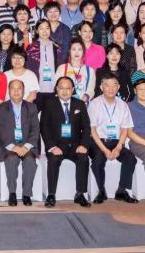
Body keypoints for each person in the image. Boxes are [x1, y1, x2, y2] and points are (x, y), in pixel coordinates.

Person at [87, 74, 138, 203]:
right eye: (107, 85)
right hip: (98, 141)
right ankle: (101, 191)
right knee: (98, 160)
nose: (110, 89)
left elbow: (125, 129)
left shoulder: (123, 105)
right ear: (101, 87)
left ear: (118, 87)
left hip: (116, 141)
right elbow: (92, 130)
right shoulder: (94, 104)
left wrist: (119, 147)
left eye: (114, 85)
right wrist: (105, 150)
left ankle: (122, 191)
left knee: (130, 158)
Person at [41, 76, 92, 207]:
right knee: (53, 160)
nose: (64, 91)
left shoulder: (79, 104)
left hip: (75, 145)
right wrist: (52, 147)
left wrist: (83, 145)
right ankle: (51, 195)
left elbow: (86, 127)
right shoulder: (49, 104)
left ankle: (80, 194)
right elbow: (44, 126)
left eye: (68, 88)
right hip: (56, 145)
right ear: (56, 89)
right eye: (61, 88)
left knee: (83, 158)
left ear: (73, 89)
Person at [0, 79, 40, 206]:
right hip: (8, 146)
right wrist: (13, 147)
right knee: (11, 159)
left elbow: (35, 129)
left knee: (30, 161)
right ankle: (12, 193)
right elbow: (0, 130)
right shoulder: (0, 108)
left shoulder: (31, 107)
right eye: (13, 88)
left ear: (23, 91)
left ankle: (27, 194)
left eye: (19, 88)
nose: (16, 91)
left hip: (27, 146)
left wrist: (26, 146)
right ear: (8, 91)